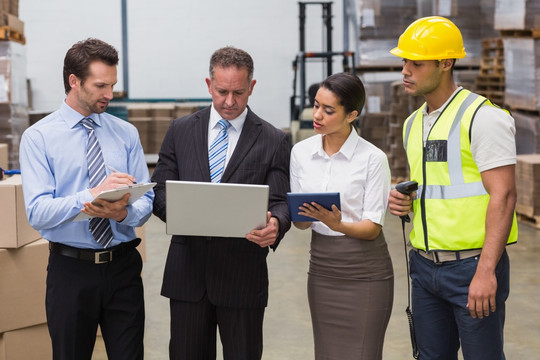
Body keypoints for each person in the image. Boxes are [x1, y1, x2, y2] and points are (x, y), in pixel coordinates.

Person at [388, 16, 518, 360]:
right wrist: (405, 202)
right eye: (403, 61)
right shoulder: (413, 123)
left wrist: (486, 271)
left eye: (416, 63)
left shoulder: (483, 118)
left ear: (446, 63)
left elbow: (503, 197)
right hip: (425, 268)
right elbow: (437, 187)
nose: (405, 70)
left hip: (472, 268)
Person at [151, 46, 291, 360]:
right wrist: (184, 213)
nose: (229, 101)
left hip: (242, 276)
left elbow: (280, 200)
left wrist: (276, 224)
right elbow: (158, 190)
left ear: (252, 87)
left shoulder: (273, 139)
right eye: (222, 91)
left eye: (239, 93)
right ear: (208, 85)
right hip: (188, 275)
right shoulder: (180, 131)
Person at [19, 38, 154, 360]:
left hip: (123, 267)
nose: (109, 94)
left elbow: (146, 201)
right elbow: (38, 212)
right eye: (100, 85)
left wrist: (122, 214)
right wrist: (90, 197)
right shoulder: (39, 138)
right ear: (74, 81)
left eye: (113, 85)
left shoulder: (125, 133)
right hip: (71, 272)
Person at [289, 72, 394, 359]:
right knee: (326, 353)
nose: (317, 115)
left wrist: (337, 224)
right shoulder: (300, 153)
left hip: (365, 271)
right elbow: (301, 222)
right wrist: (298, 216)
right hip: (322, 268)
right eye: (316, 105)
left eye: (328, 110)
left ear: (352, 115)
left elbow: (372, 227)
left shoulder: (373, 159)